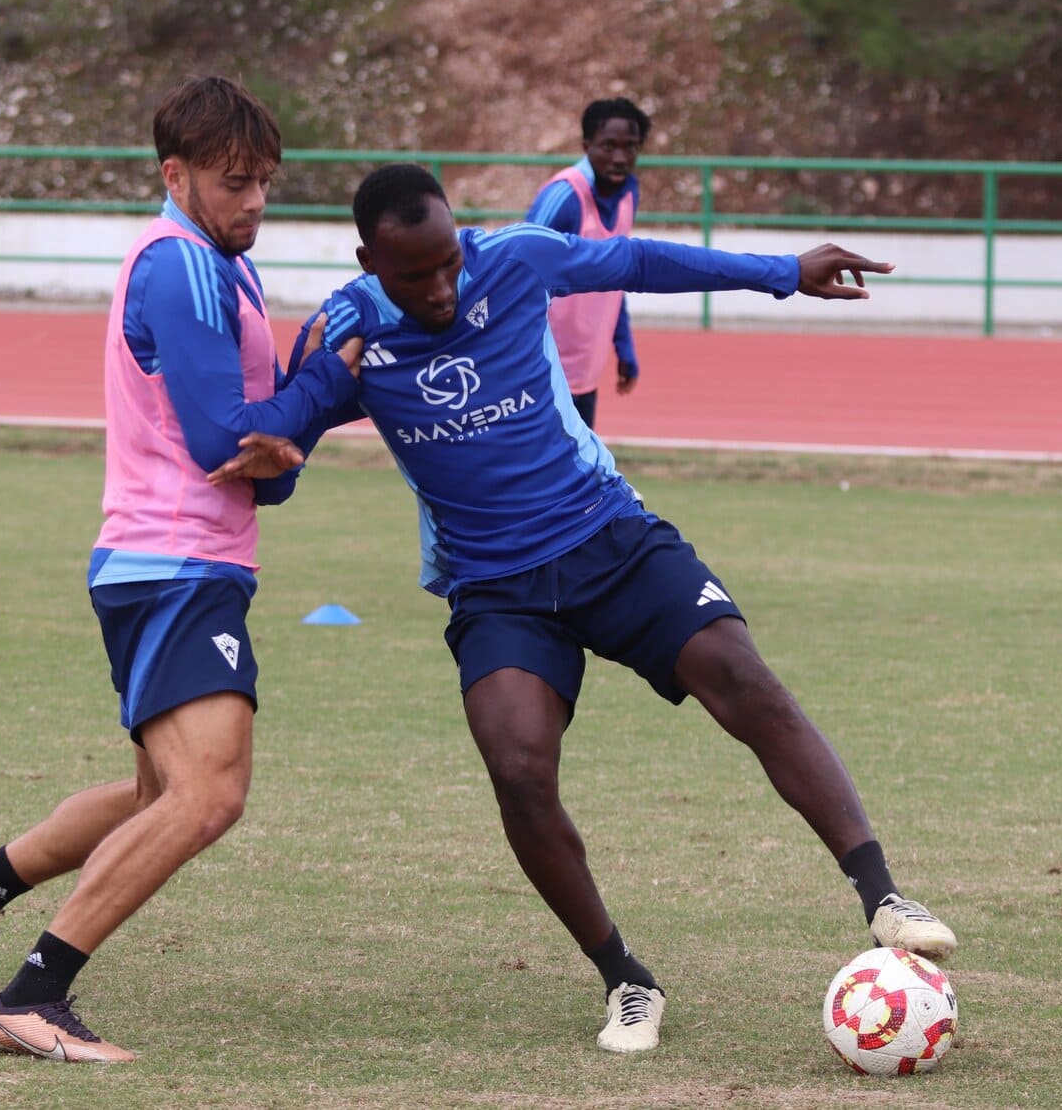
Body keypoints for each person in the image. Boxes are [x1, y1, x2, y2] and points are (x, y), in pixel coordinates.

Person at [210, 163, 957, 1055]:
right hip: (498, 590)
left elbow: (637, 261)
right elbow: (283, 458)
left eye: (449, 261)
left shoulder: (516, 259)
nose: (442, 288)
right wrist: (285, 433)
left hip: (611, 540)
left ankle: (883, 894)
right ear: (370, 259)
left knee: (745, 680)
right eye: (416, 275)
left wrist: (784, 272)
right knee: (517, 766)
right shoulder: (347, 330)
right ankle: (626, 978)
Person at [0, 75, 360, 1063]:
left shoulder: (222, 267)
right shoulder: (181, 268)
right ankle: (31, 996)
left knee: (158, 798)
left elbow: (265, 470)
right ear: (176, 173)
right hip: (172, 565)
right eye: (237, 182)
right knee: (210, 794)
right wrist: (324, 382)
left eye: (267, 183)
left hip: (190, 562)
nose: (256, 203)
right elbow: (221, 444)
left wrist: (314, 400)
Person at [525, 98, 650, 429]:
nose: (620, 158)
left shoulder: (628, 195)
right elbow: (517, 273)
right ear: (586, 145)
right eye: (608, 146)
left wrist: (623, 345)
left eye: (631, 147)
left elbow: (616, 274)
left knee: (580, 474)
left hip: (585, 371)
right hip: (542, 372)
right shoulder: (564, 198)